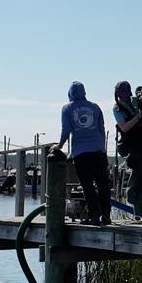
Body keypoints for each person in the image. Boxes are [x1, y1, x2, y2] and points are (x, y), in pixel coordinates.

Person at [59, 81, 110, 226]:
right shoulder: (95, 107)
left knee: (87, 185)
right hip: (98, 151)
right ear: (84, 93)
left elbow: (66, 130)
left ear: (70, 94)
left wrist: (59, 146)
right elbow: (101, 129)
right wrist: (102, 148)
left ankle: (94, 215)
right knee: (103, 185)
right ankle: (106, 215)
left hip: (81, 153)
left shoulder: (67, 109)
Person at [113, 81, 142, 220]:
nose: (125, 97)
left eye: (126, 94)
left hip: (141, 142)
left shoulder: (135, 102)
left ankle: (138, 214)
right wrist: (138, 117)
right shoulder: (117, 109)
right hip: (129, 145)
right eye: (122, 95)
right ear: (117, 95)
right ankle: (130, 193)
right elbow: (124, 127)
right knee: (137, 169)